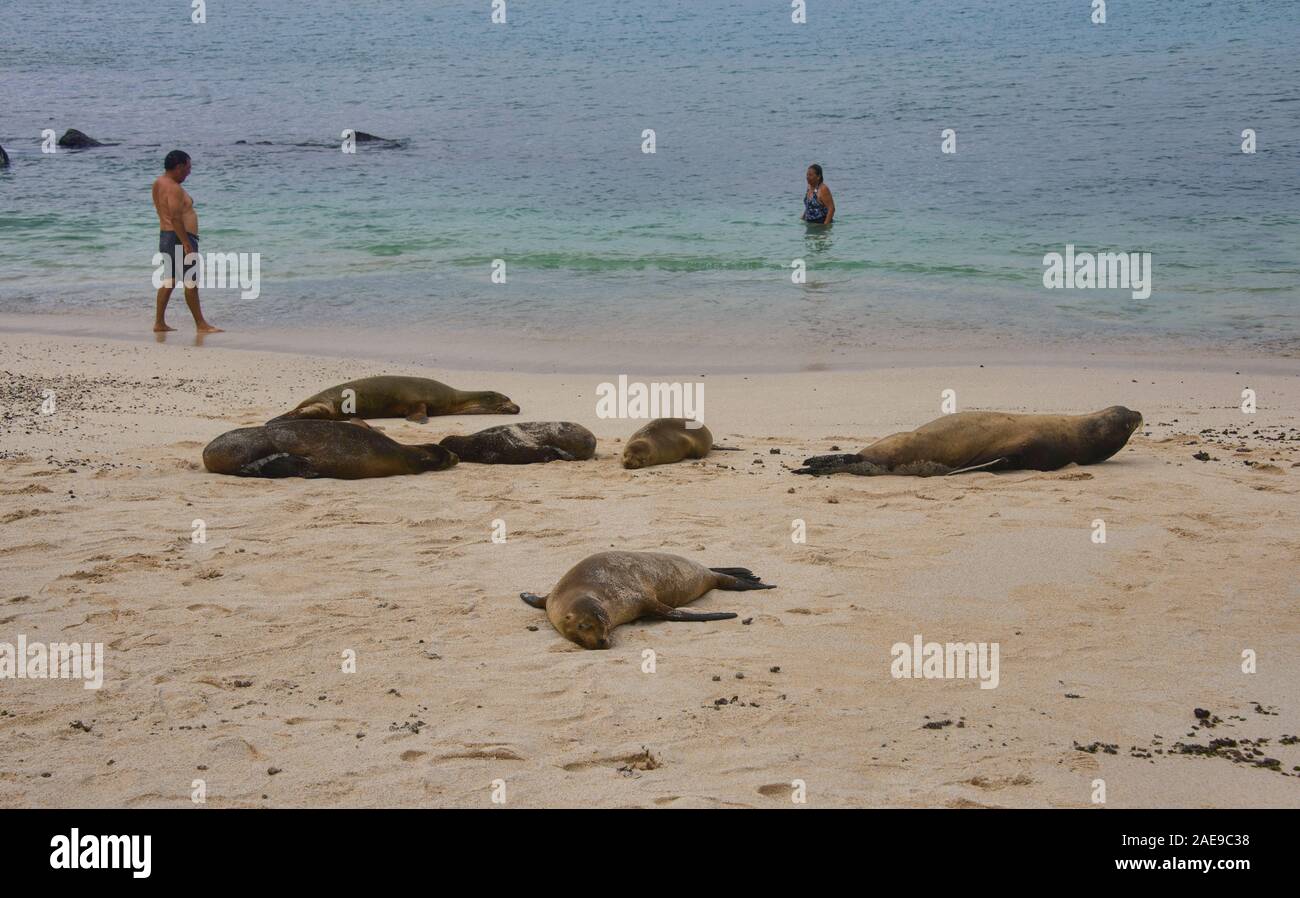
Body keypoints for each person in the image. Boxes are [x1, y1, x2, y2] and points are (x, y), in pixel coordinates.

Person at [152, 150, 222, 333]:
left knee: (170, 279)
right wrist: (186, 243)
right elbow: (175, 218)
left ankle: (159, 323)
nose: (189, 172)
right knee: (191, 281)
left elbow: (162, 211)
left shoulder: (159, 183)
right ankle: (201, 324)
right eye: (188, 168)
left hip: (167, 236)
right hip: (178, 237)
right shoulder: (174, 188)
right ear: (179, 167)